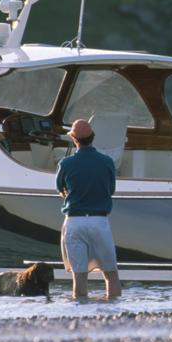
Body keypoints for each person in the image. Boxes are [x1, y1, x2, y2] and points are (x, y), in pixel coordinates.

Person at [55, 118, 122, 299]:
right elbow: (111, 190)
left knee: (79, 278)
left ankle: (80, 318)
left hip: (74, 222)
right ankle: (116, 315)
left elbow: (61, 190)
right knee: (110, 275)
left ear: (74, 140)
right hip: (98, 221)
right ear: (93, 137)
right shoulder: (107, 162)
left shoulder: (65, 164)